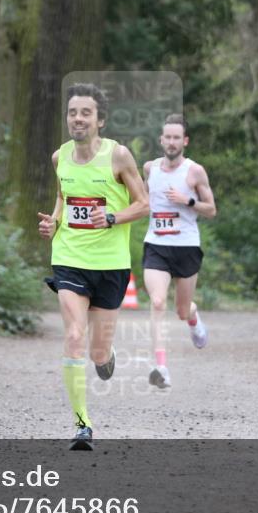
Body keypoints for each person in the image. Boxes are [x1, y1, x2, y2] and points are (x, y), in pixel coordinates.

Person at [37, 83, 149, 450]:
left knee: (98, 353)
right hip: (69, 258)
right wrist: (54, 222)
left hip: (110, 264)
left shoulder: (119, 156)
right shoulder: (60, 157)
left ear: (100, 120)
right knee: (74, 336)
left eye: (86, 113)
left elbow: (143, 204)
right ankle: (82, 425)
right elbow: (62, 196)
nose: (78, 118)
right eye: (72, 112)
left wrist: (113, 217)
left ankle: (105, 355)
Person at [142, 113, 217, 389]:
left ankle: (193, 318)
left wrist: (187, 200)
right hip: (156, 245)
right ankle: (161, 367)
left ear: (185, 141)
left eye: (177, 138)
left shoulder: (194, 171)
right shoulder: (150, 168)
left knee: (182, 311)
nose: (171, 142)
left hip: (186, 246)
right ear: (161, 140)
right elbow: (142, 197)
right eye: (168, 137)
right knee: (157, 302)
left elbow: (211, 209)